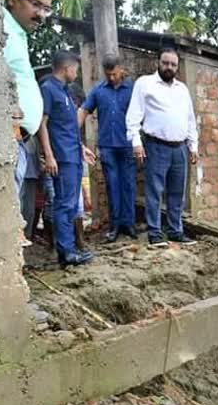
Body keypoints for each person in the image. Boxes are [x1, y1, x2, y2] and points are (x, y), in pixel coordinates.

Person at [126, 47, 198, 247]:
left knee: (177, 193)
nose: (169, 67)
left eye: (173, 64)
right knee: (154, 191)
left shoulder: (182, 89)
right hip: (156, 146)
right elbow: (133, 116)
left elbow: (189, 119)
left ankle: (176, 231)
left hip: (180, 148)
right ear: (158, 62)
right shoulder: (145, 84)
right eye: (165, 63)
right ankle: (155, 233)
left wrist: (193, 146)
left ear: (177, 67)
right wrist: (136, 143)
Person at [2, 0, 52, 246]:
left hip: (18, 139)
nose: (41, 14)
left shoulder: (17, 34)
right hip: (8, 136)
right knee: (5, 223)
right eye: (35, 5)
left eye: (46, 8)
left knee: (13, 216)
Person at [38, 51, 96, 267]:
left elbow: (66, 127)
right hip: (61, 158)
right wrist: (49, 155)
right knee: (64, 204)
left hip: (72, 155)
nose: (76, 73)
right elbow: (42, 124)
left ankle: (69, 249)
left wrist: (81, 148)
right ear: (67, 68)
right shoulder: (48, 90)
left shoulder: (65, 93)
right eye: (76, 69)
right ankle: (67, 253)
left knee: (71, 205)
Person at [78, 54, 137, 243]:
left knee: (128, 184)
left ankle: (129, 224)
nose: (111, 78)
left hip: (128, 145)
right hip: (107, 147)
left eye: (114, 74)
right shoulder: (98, 91)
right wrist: (71, 131)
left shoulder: (133, 90)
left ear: (121, 69)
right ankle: (115, 226)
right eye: (108, 74)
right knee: (112, 185)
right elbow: (84, 110)